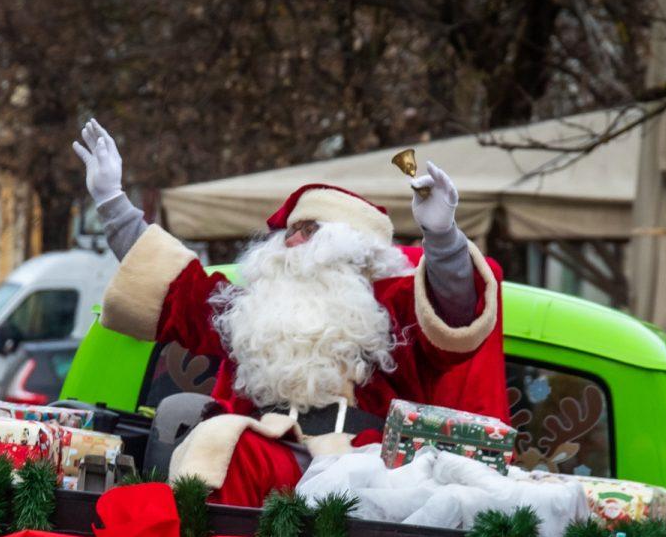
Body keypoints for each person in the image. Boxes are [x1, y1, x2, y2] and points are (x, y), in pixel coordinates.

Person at [72, 120, 503, 507]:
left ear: (352, 245)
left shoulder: (391, 306)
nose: (290, 241)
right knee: (223, 446)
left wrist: (442, 238)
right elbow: (174, 292)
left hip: (359, 473)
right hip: (265, 460)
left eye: (308, 230)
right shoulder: (253, 309)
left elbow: (452, 313)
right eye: (290, 231)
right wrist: (113, 204)